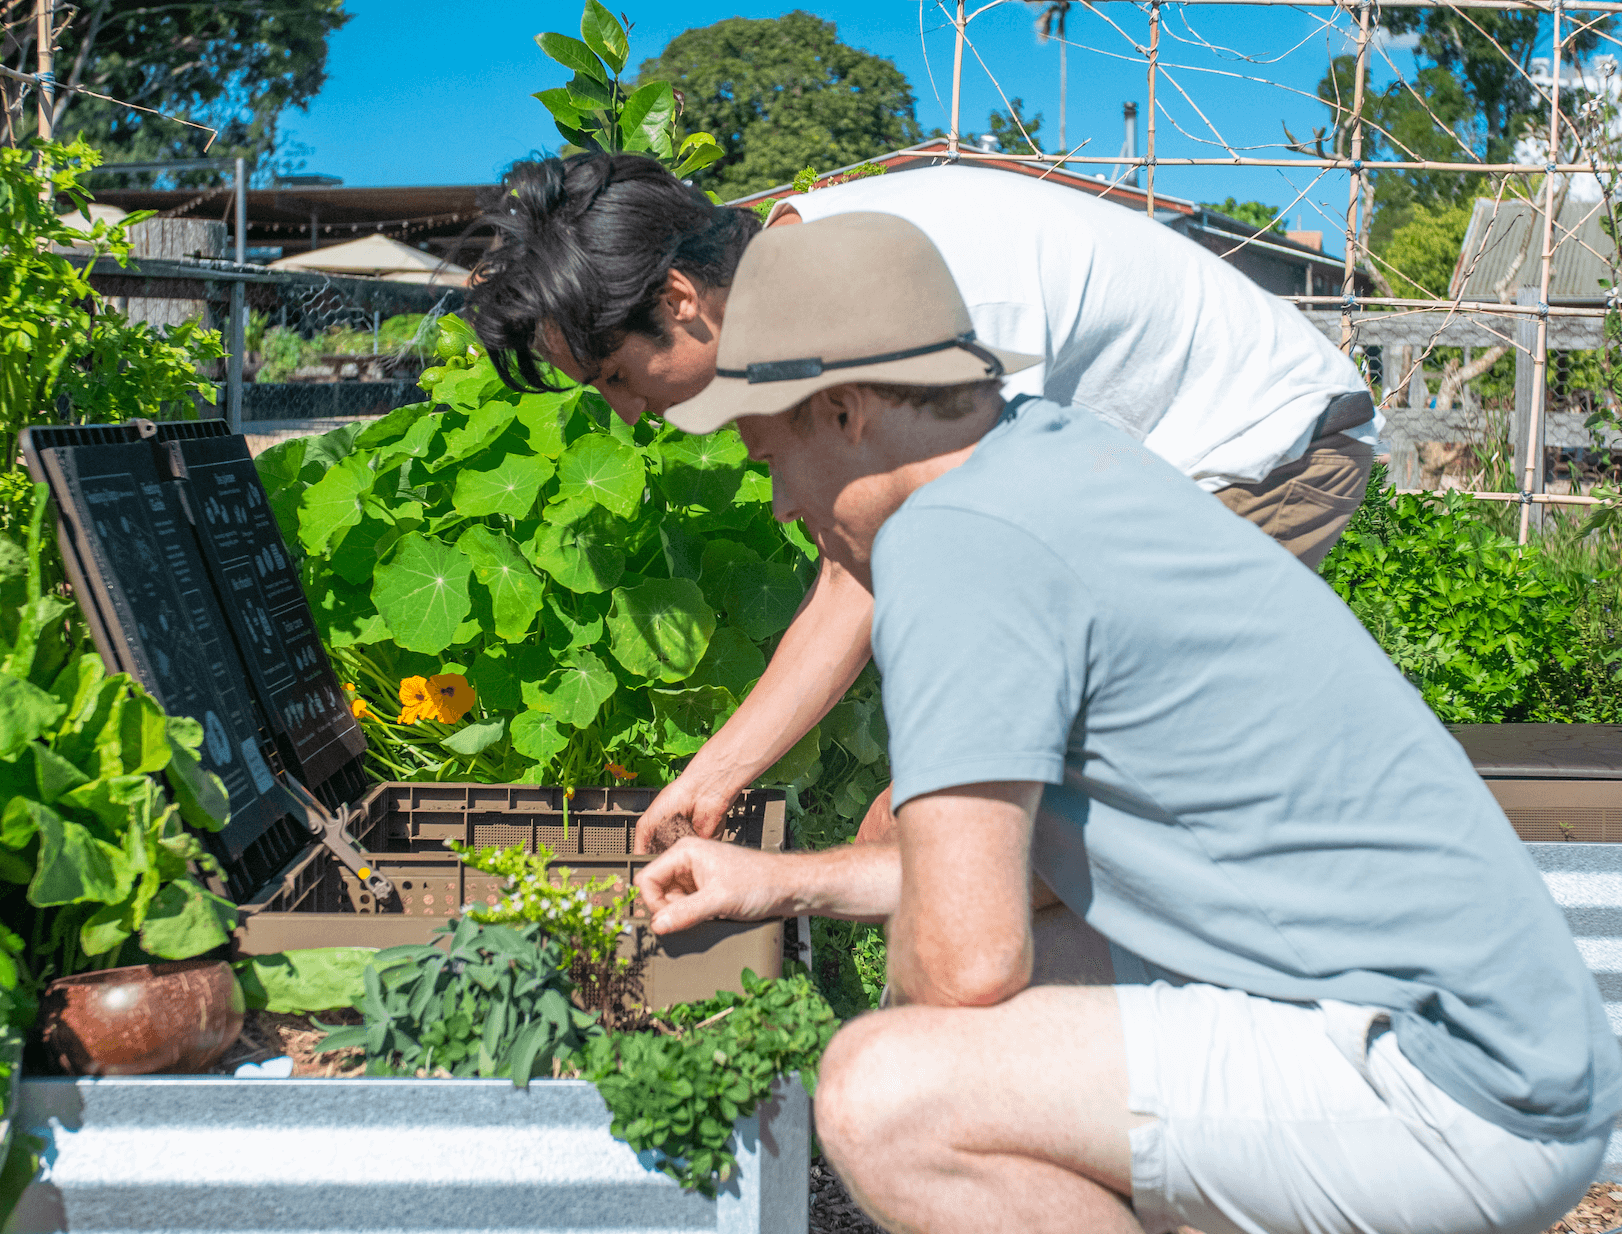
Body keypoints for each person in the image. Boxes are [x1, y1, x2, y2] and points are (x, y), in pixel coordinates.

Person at [630, 210, 1619, 1234]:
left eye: (769, 458)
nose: (784, 505)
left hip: (1453, 1089)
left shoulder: (954, 544)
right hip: (1510, 1046)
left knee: (888, 1096)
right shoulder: (1053, 457)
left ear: (843, 412)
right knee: (991, 1011)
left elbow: (964, 966)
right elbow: (1042, 873)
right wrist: (785, 882)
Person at [469, 154, 1381, 852]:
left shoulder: (891, 282)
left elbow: (941, 572)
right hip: (1127, 478)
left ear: (680, 300)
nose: (628, 413)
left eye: (620, 376)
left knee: (988, 826)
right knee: (953, 829)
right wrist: (713, 778)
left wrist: (921, 806)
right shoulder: (802, 283)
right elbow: (861, 565)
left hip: (1258, 455)